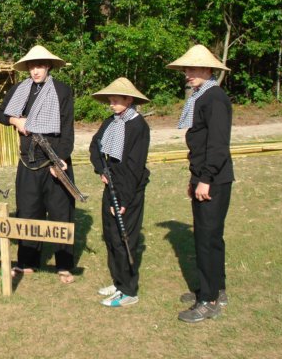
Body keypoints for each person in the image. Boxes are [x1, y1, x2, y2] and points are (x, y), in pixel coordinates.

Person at [0, 45, 76, 284]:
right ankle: (27, 261)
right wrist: (16, 121)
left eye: (40, 66)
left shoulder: (62, 91)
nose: (36, 70)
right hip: (28, 161)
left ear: (48, 66)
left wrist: (59, 159)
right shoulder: (19, 90)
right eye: (32, 66)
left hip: (54, 159)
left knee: (61, 212)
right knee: (28, 210)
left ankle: (64, 264)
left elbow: (67, 128)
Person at [167, 44, 234, 323]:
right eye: (186, 69)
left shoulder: (214, 98)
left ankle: (208, 301)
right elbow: (201, 143)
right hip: (206, 177)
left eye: (193, 69)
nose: (187, 73)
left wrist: (205, 179)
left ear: (208, 70)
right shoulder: (201, 97)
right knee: (209, 237)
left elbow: (218, 145)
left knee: (207, 239)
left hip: (214, 179)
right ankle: (215, 288)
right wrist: (195, 178)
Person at [88, 78, 151, 307]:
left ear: (129, 100)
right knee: (112, 236)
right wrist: (101, 169)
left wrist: (122, 200)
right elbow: (95, 146)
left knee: (125, 239)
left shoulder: (138, 126)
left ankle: (129, 290)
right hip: (110, 184)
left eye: (117, 99)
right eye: (110, 99)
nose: (112, 103)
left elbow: (134, 166)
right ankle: (118, 282)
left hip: (128, 190)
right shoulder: (111, 122)